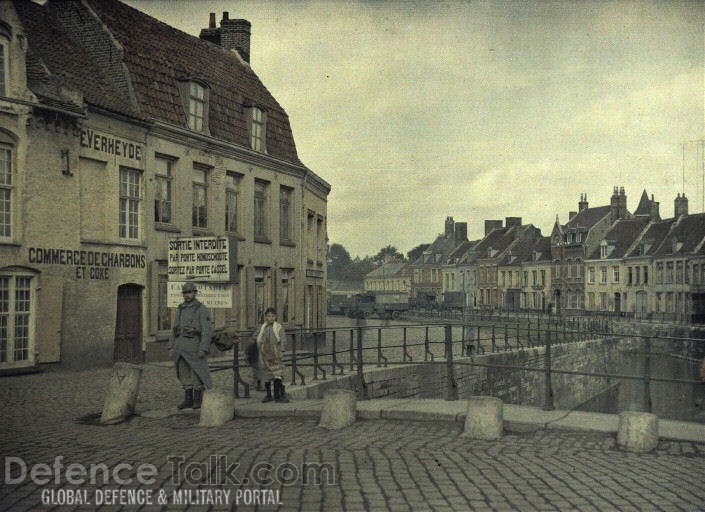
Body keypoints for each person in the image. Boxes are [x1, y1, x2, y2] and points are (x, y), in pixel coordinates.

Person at [169, 282, 213, 409]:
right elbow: (174, 328)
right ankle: (188, 399)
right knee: (183, 374)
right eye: (185, 293)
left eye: (189, 292)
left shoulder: (201, 309)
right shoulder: (180, 308)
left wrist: (203, 348)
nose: (187, 295)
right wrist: (171, 345)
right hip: (180, 348)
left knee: (196, 373)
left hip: (194, 347)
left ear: (195, 293)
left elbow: (206, 331)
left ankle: (197, 400)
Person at [256, 307, 289, 403]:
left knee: (277, 374)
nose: (271, 318)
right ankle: (268, 395)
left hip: (275, 353)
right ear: (266, 317)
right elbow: (257, 337)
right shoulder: (263, 328)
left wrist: (282, 350)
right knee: (267, 375)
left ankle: (278, 396)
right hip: (265, 353)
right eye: (269, 316)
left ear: (275, 317)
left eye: (272, 316)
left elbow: (283, 340)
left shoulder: (278, 327)